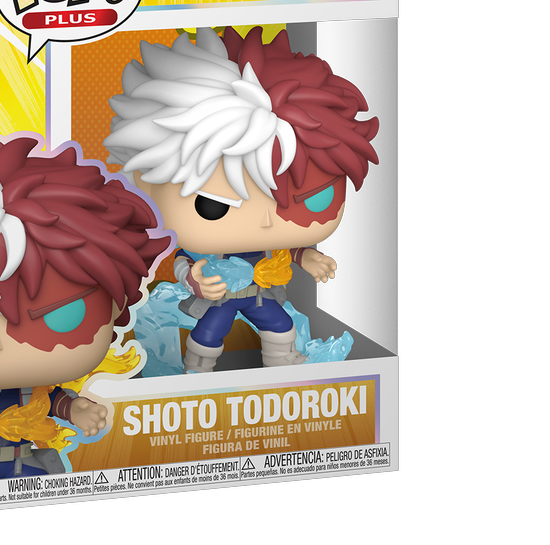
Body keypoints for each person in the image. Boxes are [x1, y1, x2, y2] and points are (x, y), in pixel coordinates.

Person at [105, 27, 379, 372]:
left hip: (261, 294)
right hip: (220, 297)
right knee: (209, 333)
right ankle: (197, 371)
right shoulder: (194, 236)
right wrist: (195, 280)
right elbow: (182, 260)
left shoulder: (272, 241)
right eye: (214, 206)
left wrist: (305, 255)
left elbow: (284, 249)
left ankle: (283, 365)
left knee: (281, 326)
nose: (266, 221)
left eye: (314, 198)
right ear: (144, 184)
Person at [0, 137, 171, 478]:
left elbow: (50, 401)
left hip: (23, 467)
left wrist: (73, 408)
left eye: (59, 315)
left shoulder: (28, 385)